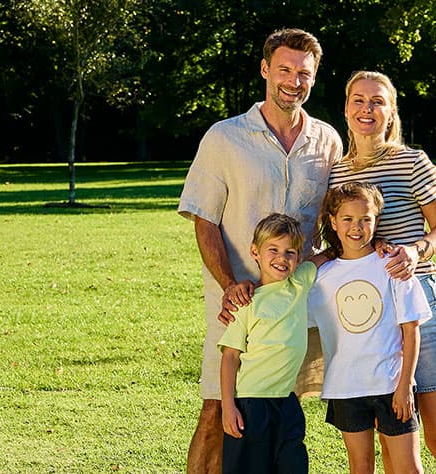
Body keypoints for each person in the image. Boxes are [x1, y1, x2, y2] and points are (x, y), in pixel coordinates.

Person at [177, 28, 342, 474]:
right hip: (237, 305)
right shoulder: (224, 137)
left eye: (303, 73)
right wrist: (231, 285)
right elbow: (204, 218)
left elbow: (337, 220)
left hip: (296, 307)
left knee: (284, 410)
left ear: (314, 77)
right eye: (284, 69)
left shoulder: (327, 141)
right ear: (265, 69)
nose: (293, 80)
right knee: (216, 410)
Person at [333, 71, 436, 473]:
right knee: (394, 444)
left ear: (391, 112)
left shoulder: (413, 162)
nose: (367, 108)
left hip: (419, 306)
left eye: (377, 101)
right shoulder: (336, 172)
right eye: (358, 100)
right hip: (368, 321)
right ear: (346, 108)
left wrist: (416, 251)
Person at [311, 182, 430, 474]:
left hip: (391, 385)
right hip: (345, 386)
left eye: (366, 219)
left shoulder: (393, 265)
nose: (357, 227)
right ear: (333, 222)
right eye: (348, 219)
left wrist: (405, 385)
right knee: (360, 467)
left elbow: (411, 329)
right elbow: (286, 285)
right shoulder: (319, 277)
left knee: (409, 468)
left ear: (376, 221)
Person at [218, 213, 326, 474]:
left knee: (293, 464)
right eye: (273, 250)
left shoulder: (300, 281)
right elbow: (230, 356)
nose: (282, 258)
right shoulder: (245, 301)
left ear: (299, 258)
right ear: (255, 252)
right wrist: (227, 406)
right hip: (251, 405)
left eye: (290, 252)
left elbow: (331, 253)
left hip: (287, 402)